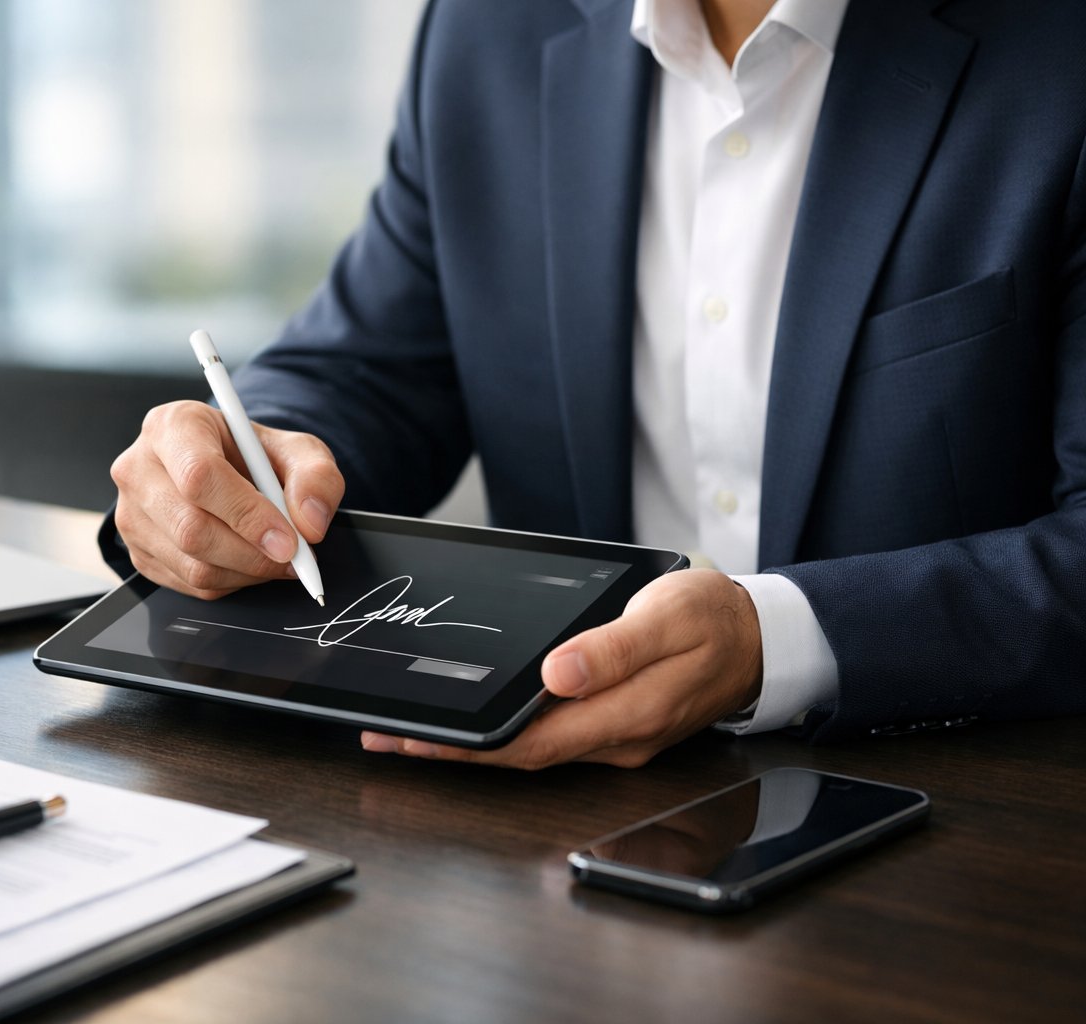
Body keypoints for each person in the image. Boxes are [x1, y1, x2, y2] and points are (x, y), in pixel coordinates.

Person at [103, 0, 1086, 768]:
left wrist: (767, 640)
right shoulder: (490, 28)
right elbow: (365, 370)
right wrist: (238, 466)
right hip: (547, 824)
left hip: (955, 831)